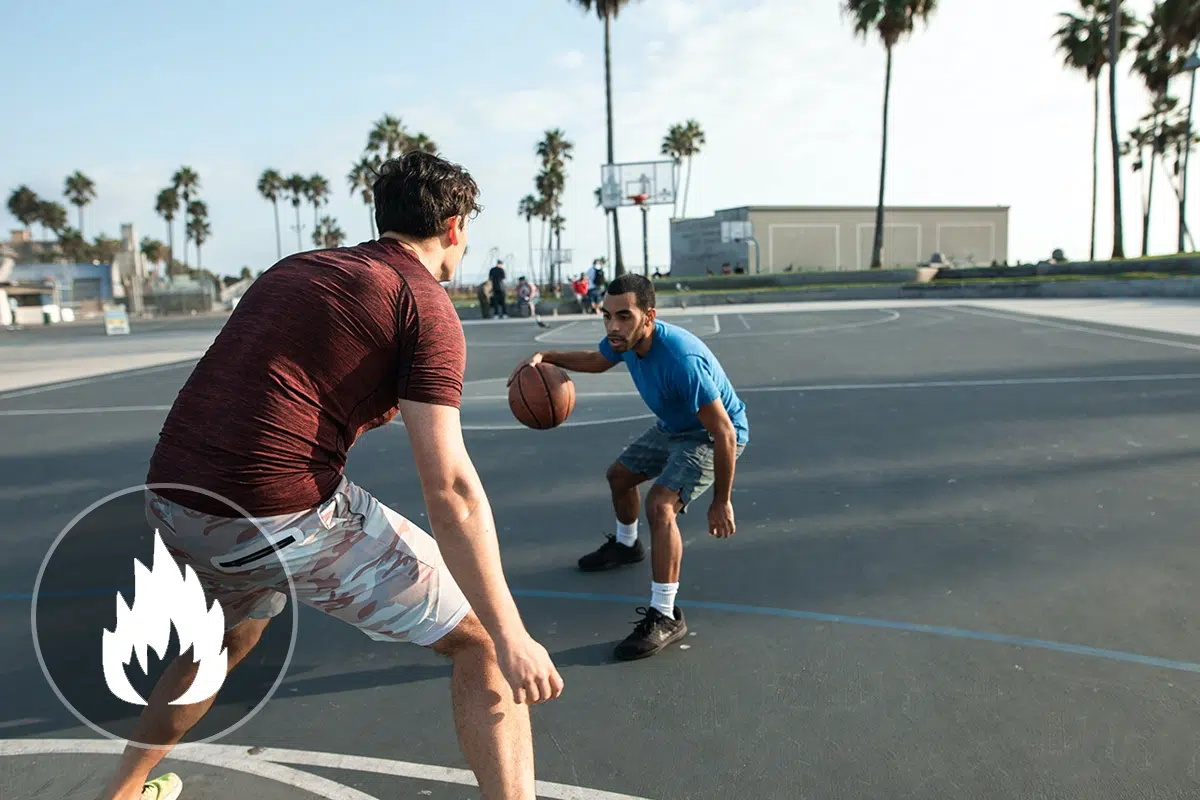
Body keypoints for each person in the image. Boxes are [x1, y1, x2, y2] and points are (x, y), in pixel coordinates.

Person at [101, 151, 563, 800]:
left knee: (224, 642)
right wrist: (512, 633)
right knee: (482, 640)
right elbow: (451, 490)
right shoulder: (423, 304)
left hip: (178, 501)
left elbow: (260, 386)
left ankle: (119, 793)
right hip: (273, 516)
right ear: (455, 229)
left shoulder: (299, 268)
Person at [509, 274, 748, 661]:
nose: (613, 326)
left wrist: (722, 500)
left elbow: (723, 432)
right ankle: (626, 545)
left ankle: (666, 614)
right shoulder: (626, 342)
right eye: (606, 317)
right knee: (619, 476)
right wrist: (548, 356)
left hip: (708, 435)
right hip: (674, 427)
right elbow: (598, 360)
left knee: (660, 506)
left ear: (648, 317)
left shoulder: (680, 361)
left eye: (623, 316)